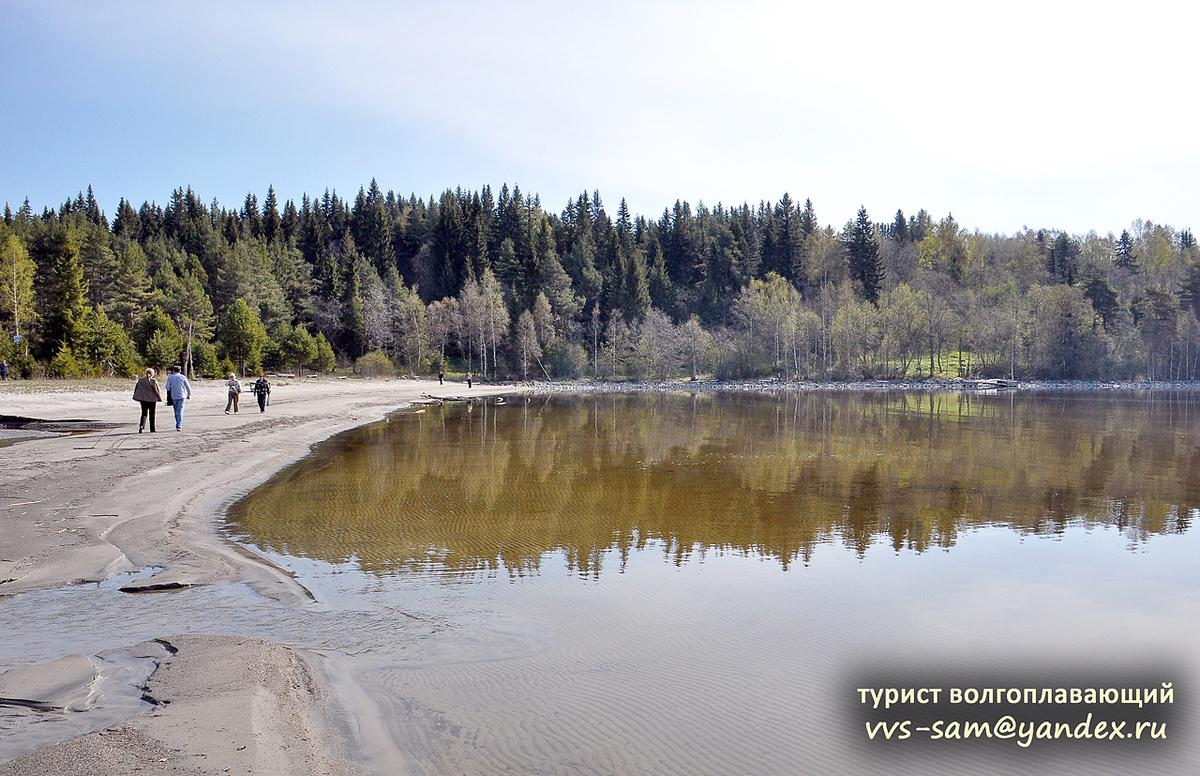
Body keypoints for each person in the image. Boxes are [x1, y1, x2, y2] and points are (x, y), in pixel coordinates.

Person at [132, 367, 165, 433]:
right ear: (152, 374)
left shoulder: (141, 380)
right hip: (152, 399)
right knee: (152, 414)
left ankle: (142, 426)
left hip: (143, 399)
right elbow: (157, 391)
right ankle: (152, 429)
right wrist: (160, 398)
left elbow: (137, 388)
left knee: (144, 413)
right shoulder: (153, 381)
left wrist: (136, 396)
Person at [165, 365, 193, 431]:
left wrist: (172, 389)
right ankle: (179, 425)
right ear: (180, 371)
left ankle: (178, 423)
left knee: (176, 411)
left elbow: (167, 387)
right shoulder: (183, 377)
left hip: (173, 396)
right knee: (180, 410)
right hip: (181, 396)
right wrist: (189, 395)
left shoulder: (170, 377)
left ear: (173, 371)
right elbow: (188, 387)